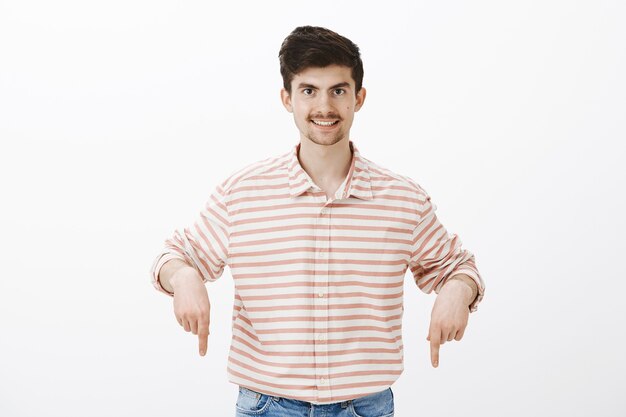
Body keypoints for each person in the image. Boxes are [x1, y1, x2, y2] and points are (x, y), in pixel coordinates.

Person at [150, 25, 485, 417]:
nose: (324, 107)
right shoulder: (241, 193)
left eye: (338, 90)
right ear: (286, 99)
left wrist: (457, 292)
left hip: (366, 408)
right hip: (268, 406)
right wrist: (186, 277)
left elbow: (458, 267)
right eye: (309, 90)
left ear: (358, 98)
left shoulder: (403, 200)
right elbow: (174, 257)